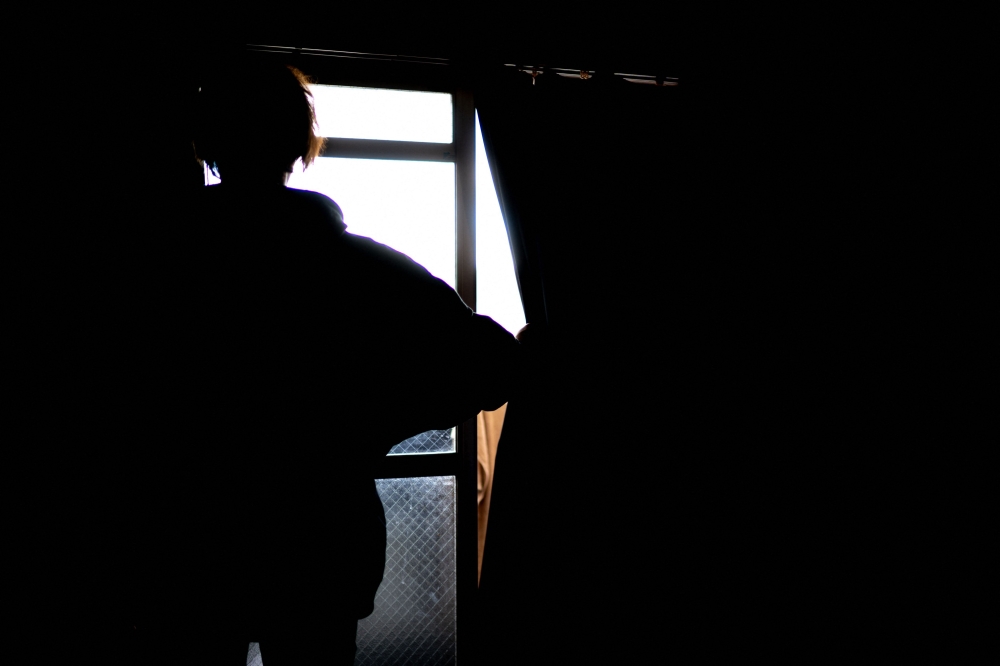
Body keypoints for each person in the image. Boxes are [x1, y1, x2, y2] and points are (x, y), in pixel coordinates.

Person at [127, 58, 522, 665]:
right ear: (298, 145)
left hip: (185, 544)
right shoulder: (363, 270)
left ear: (206, 144)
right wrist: (369, 425)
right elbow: (494, 360)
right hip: (320, 543)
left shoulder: (154, 273)